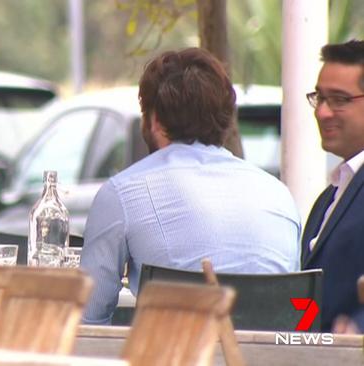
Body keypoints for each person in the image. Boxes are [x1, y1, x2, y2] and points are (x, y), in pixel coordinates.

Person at [80, 47, 301, 325]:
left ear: (155, 121)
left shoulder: (123, 192)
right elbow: (297, 314)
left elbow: (88, 320)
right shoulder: (279, 195)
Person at [302, 40, 364, 333]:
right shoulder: (330, 196)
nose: (322, 112)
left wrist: (356, 326)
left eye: (339, 99)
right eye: (320, 97)